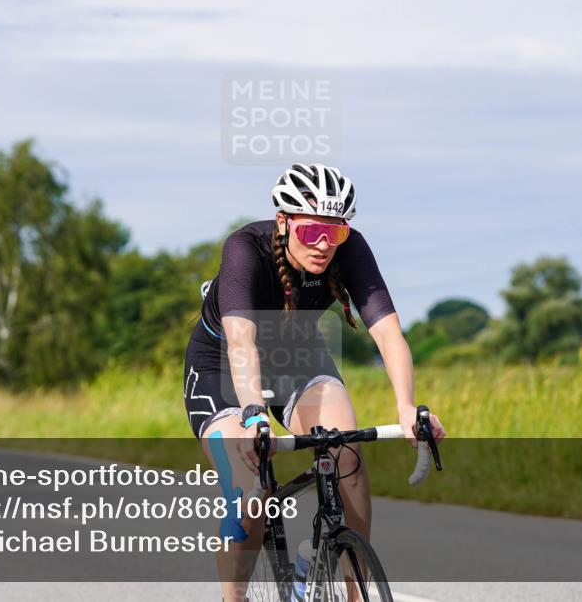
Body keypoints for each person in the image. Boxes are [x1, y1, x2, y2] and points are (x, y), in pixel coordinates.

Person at [183, 162, 446, 601]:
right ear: (283, 223)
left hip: (296, 354)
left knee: (347, 453)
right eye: (310, 232)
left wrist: (406, 408)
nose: (324, 245)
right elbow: (242, 341)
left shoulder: (350, 250)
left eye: (335, 232)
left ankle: (352, 591)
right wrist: (253, 415)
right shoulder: (245, 248)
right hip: (223, 362)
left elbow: (387, 332)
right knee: (251, 491)